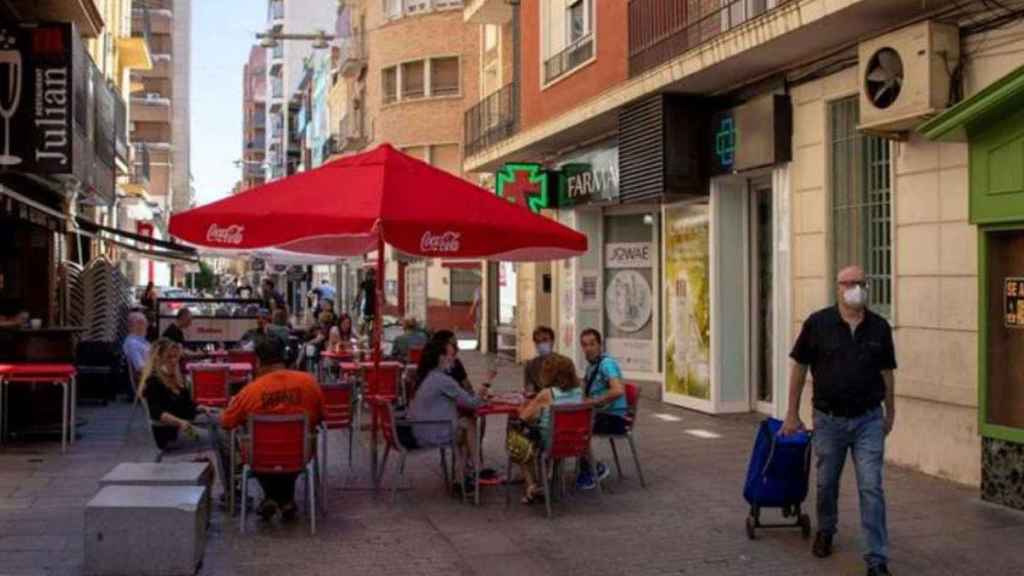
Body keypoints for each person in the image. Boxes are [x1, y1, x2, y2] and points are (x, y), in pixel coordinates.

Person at [781, 265, 897, 576]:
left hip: (869, 420)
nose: (854, 288)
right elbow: (799, 369)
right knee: (826, 482)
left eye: (860, 282)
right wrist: (792, 413)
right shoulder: (818, 324)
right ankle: (826, 530)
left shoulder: (879, 328)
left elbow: (887, 372)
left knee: (871, 487)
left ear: (866, 286)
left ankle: (877, 559)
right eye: (848, 283)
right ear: (838, 288)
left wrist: (891, 411)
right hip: (829, 421)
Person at [220, 336, 325, 522]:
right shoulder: (309, 383)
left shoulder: (250, 391)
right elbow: (322, 417)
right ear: (284, 357)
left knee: (255, 447)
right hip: (300, 454)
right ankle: (285, 500)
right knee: (289, 450)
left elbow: (226, 422)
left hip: (260, 457)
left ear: (258, 361)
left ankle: (272, 498)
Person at [139, 338, 230, 494]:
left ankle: (233, 472)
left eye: (176, 357)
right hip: (171, 433)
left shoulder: (175, 378)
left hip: (185, 424)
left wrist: (200, 407)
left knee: (224, 420)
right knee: (218, 438)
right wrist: (180, 422)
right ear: (158, 358)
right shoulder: (153, 381)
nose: (174, 361)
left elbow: (187, 405)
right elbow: (157, 413)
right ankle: (230, 488)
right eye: (169, 357)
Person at [405, 338, 486, 493]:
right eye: (451, 355)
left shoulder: (429, 376)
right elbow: (473, 403)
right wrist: (486, 384)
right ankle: (476, 469)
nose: (454, 359)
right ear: (441, 358)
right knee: (469, 424)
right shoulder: (443, 380)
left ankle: (461, 477)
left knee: (464, 427)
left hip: (420, 430)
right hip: (431, 433)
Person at [515, 353, 583, 504]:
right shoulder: (579, 391)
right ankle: (546, 480)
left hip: (551, 443)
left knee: (517, 440)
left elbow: (523, 417)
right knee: (543, 431)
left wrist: (521, 407)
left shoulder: (547, 394)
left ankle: (532, 486)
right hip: (574, 442)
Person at [577, 328, 627, 490]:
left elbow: (618, 390)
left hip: (614, 418)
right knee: (570, 424)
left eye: (592, 344)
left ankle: (594, 468)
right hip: (601, 414)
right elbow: (585, 388)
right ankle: (587, 467)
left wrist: (594, 401)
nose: (588, 348)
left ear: (600, 345)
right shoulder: (591, 366)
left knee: (578, 428)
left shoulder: (607, 364)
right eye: (584, 345)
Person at [523, 326, 556, 396]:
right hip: (537, 403)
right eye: (537, 341)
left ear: (552, 341)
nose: (541, 344)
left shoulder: (565, 364)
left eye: (545, 340)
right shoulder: (530, 365)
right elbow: (529, 389)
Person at [122, 311, 151, 383]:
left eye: (144, 323)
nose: (143, 326)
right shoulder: (132, 344)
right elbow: (140, 368)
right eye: (139, 323)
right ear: (130, 326)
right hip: (145, 381)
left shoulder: (143, 341)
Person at [354, 269, 376, 334]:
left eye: (371, 275)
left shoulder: (375, 282)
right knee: (366, 321)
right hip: (368, 304)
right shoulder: (364, 283)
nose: (370, 276)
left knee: (371, 322)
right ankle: (366, 335)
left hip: (373, 304)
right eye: (368, 275)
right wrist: (355, 302)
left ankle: (368, 333)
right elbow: (358, 293)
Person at [468, 283, 482, 351]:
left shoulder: (478, 289)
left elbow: (476, 301)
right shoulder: (488, 288)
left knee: (478, 329)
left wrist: (471, 311)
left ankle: (479, 344)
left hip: (480, 313)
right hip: (488, 314)